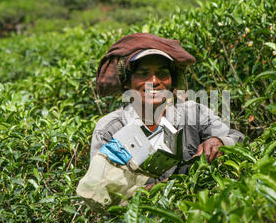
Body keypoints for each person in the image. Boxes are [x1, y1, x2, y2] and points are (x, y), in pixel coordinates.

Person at [77, 33, 245, 210]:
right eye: (143, 74)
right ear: (127, 83)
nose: (154, 82)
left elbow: (236, 137)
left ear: (171, 81)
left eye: (162, 74)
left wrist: (218, 141)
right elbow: (99, 192)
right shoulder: (110, 128)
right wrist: (149, 192)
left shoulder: (193, 113)